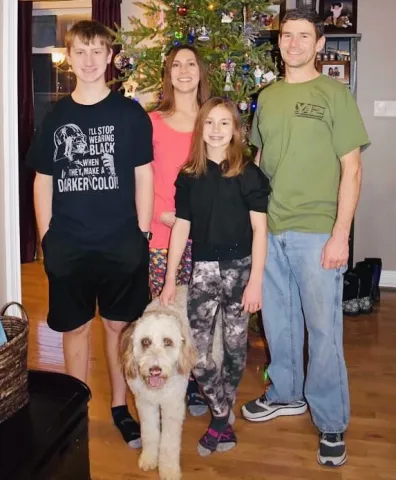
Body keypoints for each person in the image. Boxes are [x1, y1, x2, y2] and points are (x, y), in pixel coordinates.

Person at [241, 9, 370, 467]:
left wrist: (340, 235)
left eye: (303, 36)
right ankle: (287, 393)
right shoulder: (268, 97)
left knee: (323, 331)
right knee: (279, 324)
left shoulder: (335, 94)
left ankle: (331, 421)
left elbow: (351, 168)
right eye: (286, 36)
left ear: (318, 45)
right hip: (270, 230)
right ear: (279, 43)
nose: (293, 43)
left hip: (316, 232)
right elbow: (259, 162)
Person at [27, 20, 154, 449]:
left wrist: (141, 234)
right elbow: (42, 180)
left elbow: (144, 175)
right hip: (70, 245)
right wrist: (47, 238)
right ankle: (76, 408)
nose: (89, 60)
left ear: (110, 58)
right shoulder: (56, 117)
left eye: (98, 51)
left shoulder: (129, 114)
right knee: (74, 329)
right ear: (70, 58)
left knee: (119, 328)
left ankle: (121, 407)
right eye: (80, 51)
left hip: (121, 243)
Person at [160, 97, 270, 456]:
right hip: (203, 272)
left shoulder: (249, 175)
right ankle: (222, 415)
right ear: (201, 128)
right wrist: (169, 279)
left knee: (236, 350)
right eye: (210, 122)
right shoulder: (189, 176)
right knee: (200, 353)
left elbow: (260, 231)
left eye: (225, 123)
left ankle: (221, 417)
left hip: (240, 272)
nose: (217, 130)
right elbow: (181, 228)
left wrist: (255, 281)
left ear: (236, 130)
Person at [148, 45, 211, 416]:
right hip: (161, 236)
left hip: (204, 238)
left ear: (200, 72)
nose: (184, 70)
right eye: (176, 65)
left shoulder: (212, 121)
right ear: (168, 74)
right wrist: (163, 214)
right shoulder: (152, 122)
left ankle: (196, 384)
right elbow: (140, 177)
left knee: (200, 315)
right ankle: (169, 382)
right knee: (167, 315)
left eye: (190, 64)